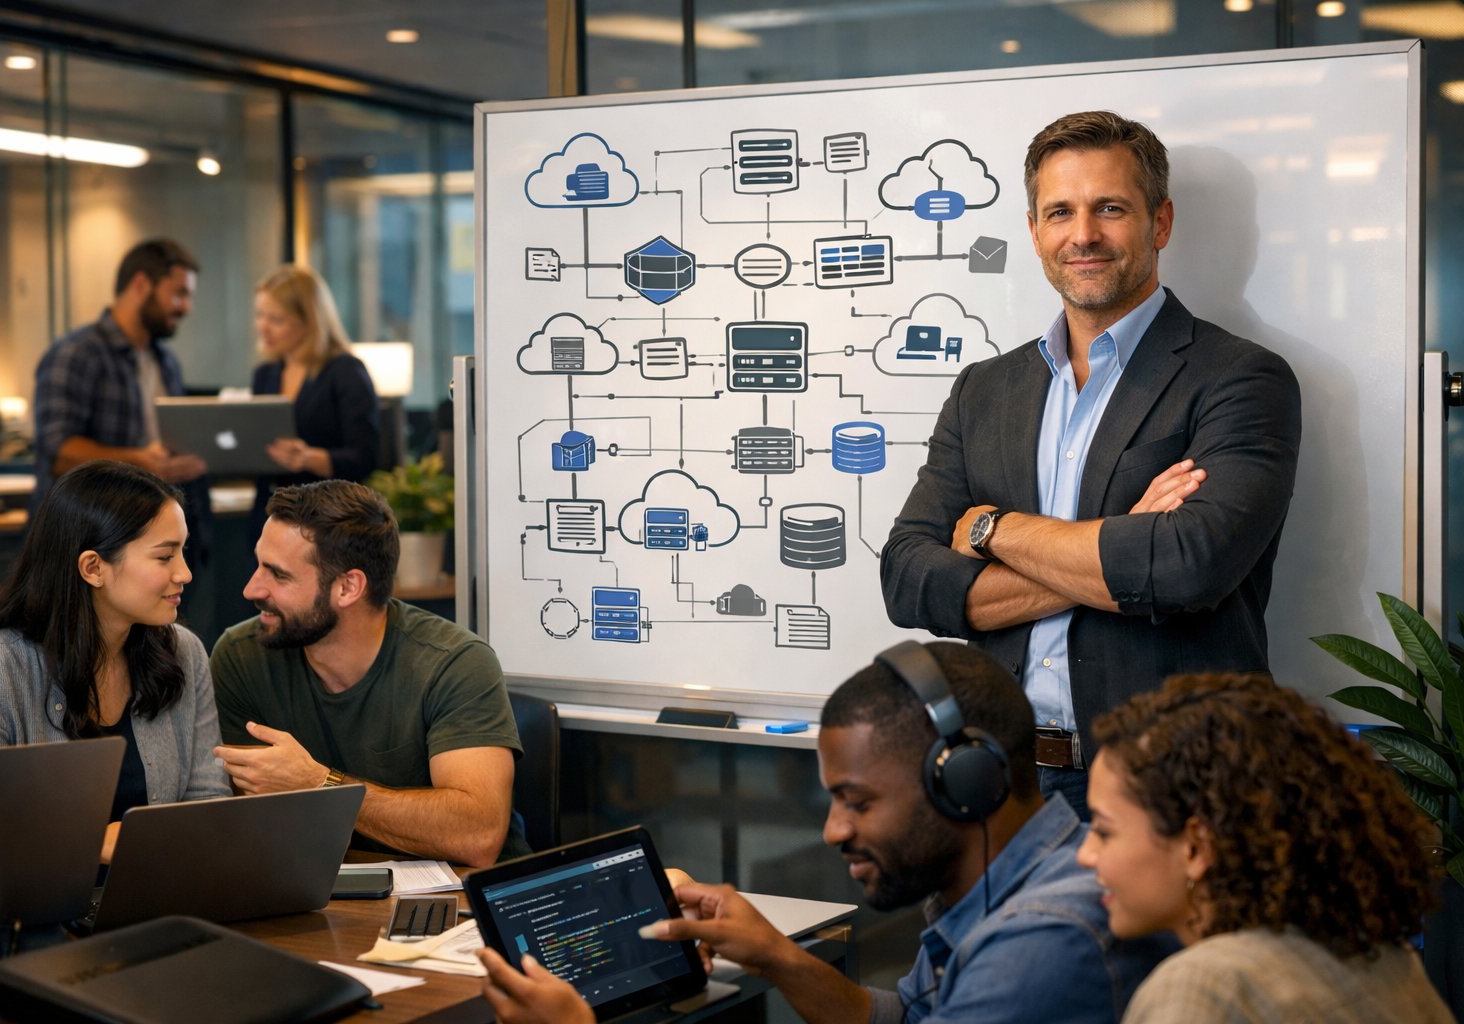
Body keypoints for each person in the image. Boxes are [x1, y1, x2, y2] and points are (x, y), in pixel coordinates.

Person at [879, 110, 1301, 814]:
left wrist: (990, 529)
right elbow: (909, 579)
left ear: (1159, 223)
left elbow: (1185, 566)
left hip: (1174, 790)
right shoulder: (985, 389)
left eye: (1110, 208)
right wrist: (1122, 540)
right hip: (1001, 782)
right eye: (1060, 212)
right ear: (1035, 229)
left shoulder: (1239, 378)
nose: (1083, 235)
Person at [478, 640, 1174, 1024]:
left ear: (964, 784)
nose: (834, 829)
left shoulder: (1044, 943)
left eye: (858, 802)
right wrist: (776, 955)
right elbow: (905, 1019)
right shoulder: (999, 884)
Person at [1079, 673, 1452, 1023]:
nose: (1085, 854)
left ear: (1196, 848)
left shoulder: (1203, 990)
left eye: (1103, 831)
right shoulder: (1385, 957)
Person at [209, 479, 528, 865]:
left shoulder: (454, 663)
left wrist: (318, 784)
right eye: (257, 564)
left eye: (278, 575)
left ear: (348, 587)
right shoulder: (241, 656)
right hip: (321, 893)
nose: (251, 589)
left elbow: (477, 835)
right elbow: (252, 821)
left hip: (462, 901)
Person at [0, 461, 229, 861]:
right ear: (93, 568)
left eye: (183, 552)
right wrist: (91, 842)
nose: (185, 573)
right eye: (164, 557)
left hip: (163, 903)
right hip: (39, 918)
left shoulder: (183, 652)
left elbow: (207, 803)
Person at [32, 239, 208, 511]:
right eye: (179, 294)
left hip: (147, 526)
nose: (187, 308)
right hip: (88, 531)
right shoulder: (75, 353)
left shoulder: (167, 362)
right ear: (140, 285)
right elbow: (58, 454)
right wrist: (140, 463)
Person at [248, 264, 380, 533]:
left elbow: (366, 455)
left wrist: (311, 458)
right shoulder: (265, 375)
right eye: (260, 315)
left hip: (326, 522)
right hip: (270, 516)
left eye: (276, 319)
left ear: (310, 321)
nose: (263, 327)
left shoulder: (346, 372)